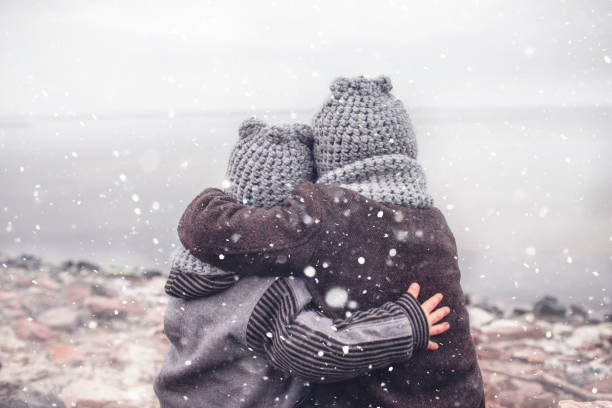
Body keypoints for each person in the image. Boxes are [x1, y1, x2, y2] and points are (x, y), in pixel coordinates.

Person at [176, 76, 485, 408]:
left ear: (328, 156)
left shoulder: (328, 215)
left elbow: (220, 235)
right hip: (459, 390)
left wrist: (206, 207)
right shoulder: (434, 220)